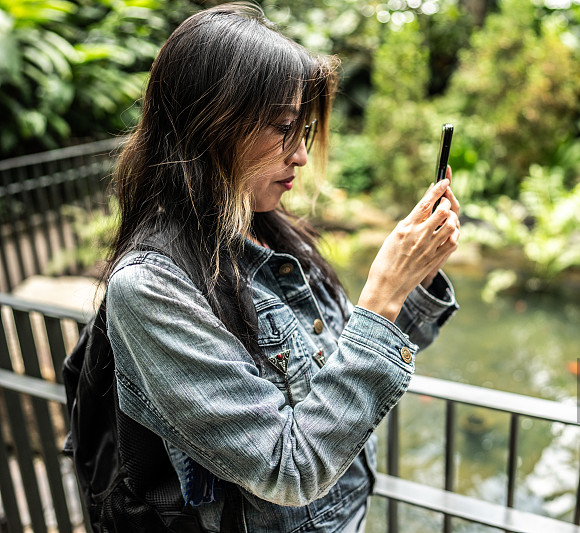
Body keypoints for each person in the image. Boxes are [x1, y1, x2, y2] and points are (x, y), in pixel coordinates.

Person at [102, 2, 461, 532]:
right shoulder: (151, 288)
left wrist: (417, 274)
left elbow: (345, 367)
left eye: (303, 129)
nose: (299, 154)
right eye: (283, 128)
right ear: (213, 125)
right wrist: (382, 295)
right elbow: (286, 470)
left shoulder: (264, 224)